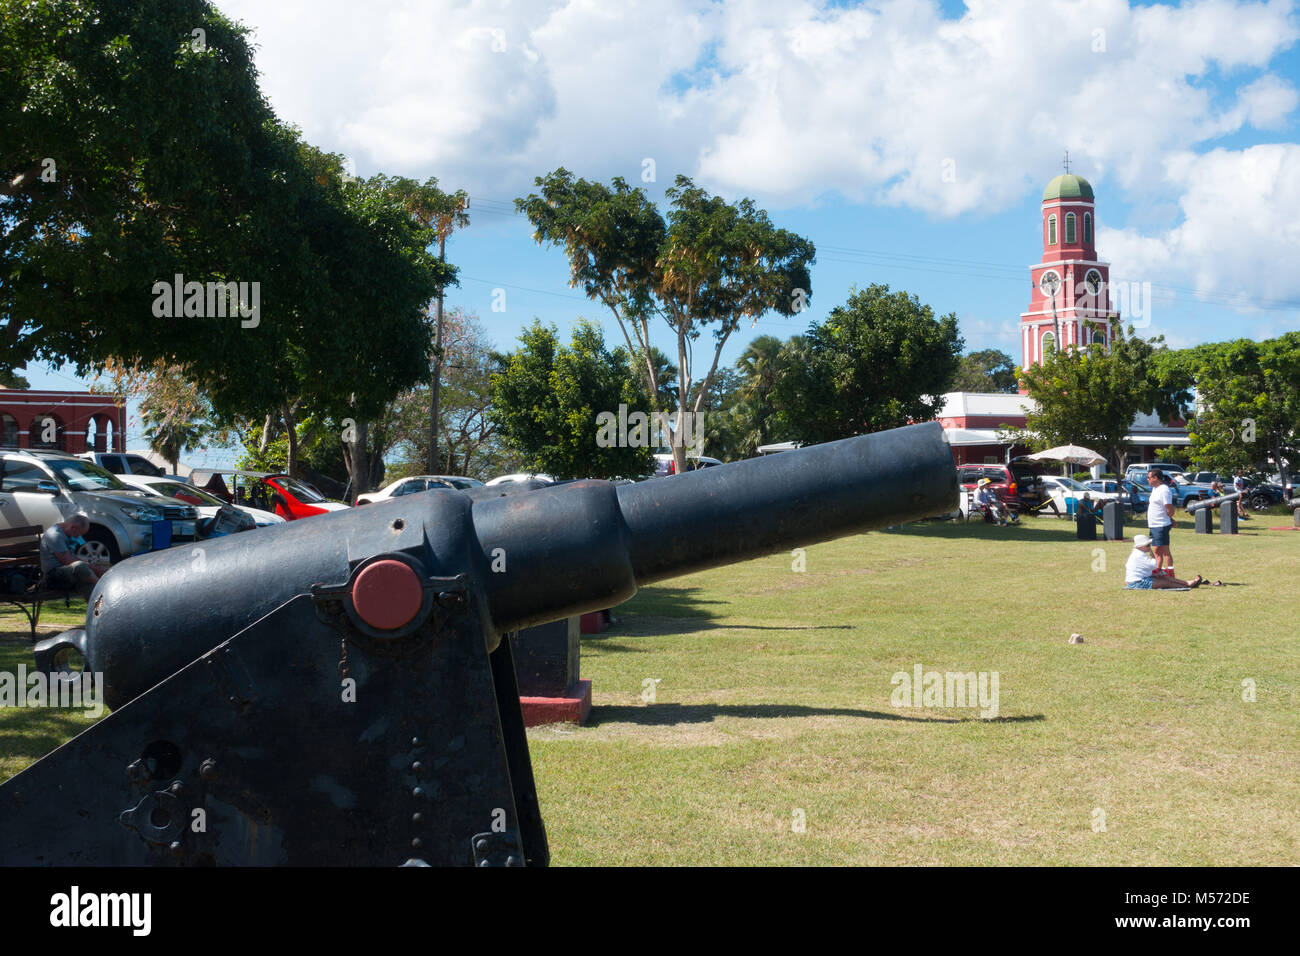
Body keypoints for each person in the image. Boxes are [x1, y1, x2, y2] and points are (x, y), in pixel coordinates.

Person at [40, 512, 101, 599]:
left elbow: (73, 558)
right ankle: (101, 586)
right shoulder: (55, 535)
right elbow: (68, 561)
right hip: (53, 577)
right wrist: (96, 569)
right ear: (73, 528)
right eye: (79, 534)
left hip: (67, 575)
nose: (78, 537)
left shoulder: (67, 533)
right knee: (81, 567)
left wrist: (92, 567)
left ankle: (98, 610)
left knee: (87, 582)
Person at [1125, 534, 1206, 589]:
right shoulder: (1139, 555)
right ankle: (1187, 586)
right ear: (1140, 546)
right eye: (1147, 545)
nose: (1149, 547)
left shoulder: (1138, 553)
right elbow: (1154, 565)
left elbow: (1146, 569)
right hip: (1137, 582)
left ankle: (1187, 583)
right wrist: (1152, 556)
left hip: (1139, 579)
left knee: (1165, 577)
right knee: (1166, 583)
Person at [1145, 468, 1177, 577]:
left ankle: (1170, 572)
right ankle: (1158, 569)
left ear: (1155, 478)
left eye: (1149, 478)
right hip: (1154, 525)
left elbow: (1170, 509)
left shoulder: (1164, 490)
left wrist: (1170, 519)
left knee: (1164, 550)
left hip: (1161, 525)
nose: (1147, 480)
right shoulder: (1155, 489)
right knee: (1156, 549)